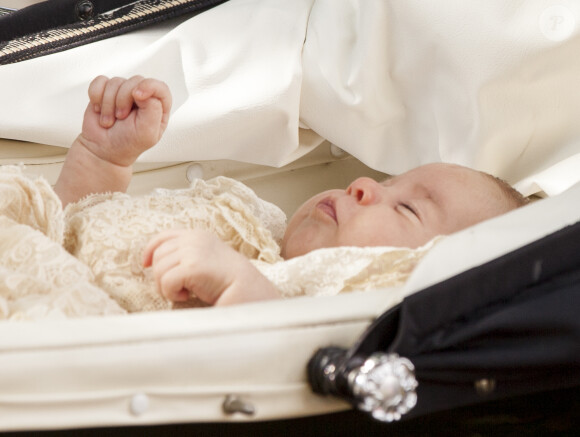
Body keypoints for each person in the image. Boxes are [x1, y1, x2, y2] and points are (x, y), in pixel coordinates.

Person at [53, 76, 527, 311]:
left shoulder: (310, 301)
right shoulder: (256, 220)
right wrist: (103, 160)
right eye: (385, 183)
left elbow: (287, 350)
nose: (361, 185)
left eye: (406, 207)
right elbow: (65, 228)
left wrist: (239, 289)